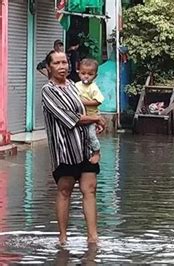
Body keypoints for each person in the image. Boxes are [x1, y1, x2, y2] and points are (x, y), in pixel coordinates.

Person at [41, 50, 105, 245]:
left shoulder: (73, 86)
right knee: (65, 191)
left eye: (65, 62)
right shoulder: (48, 90)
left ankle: (93, 237)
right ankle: (62, 237)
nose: (62, 66)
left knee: (90, 189)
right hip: (65, 150)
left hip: (85, 147)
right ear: (49, 67)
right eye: (57, 63)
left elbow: (85, 108)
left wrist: (95, 124)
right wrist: (96, 118)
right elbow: (70, 118)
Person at [76, 58, 104, 164]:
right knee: (82, 137)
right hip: (81, 117)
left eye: (90, 74)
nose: (86, 76)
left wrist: (83, 102)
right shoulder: (76, 85)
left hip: (92, 117)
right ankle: (85, 154)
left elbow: (98, 101)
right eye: (83, 73)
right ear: (79, 73)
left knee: (91, 135)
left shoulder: (93, 88)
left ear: (95, 76)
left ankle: (96, 152)